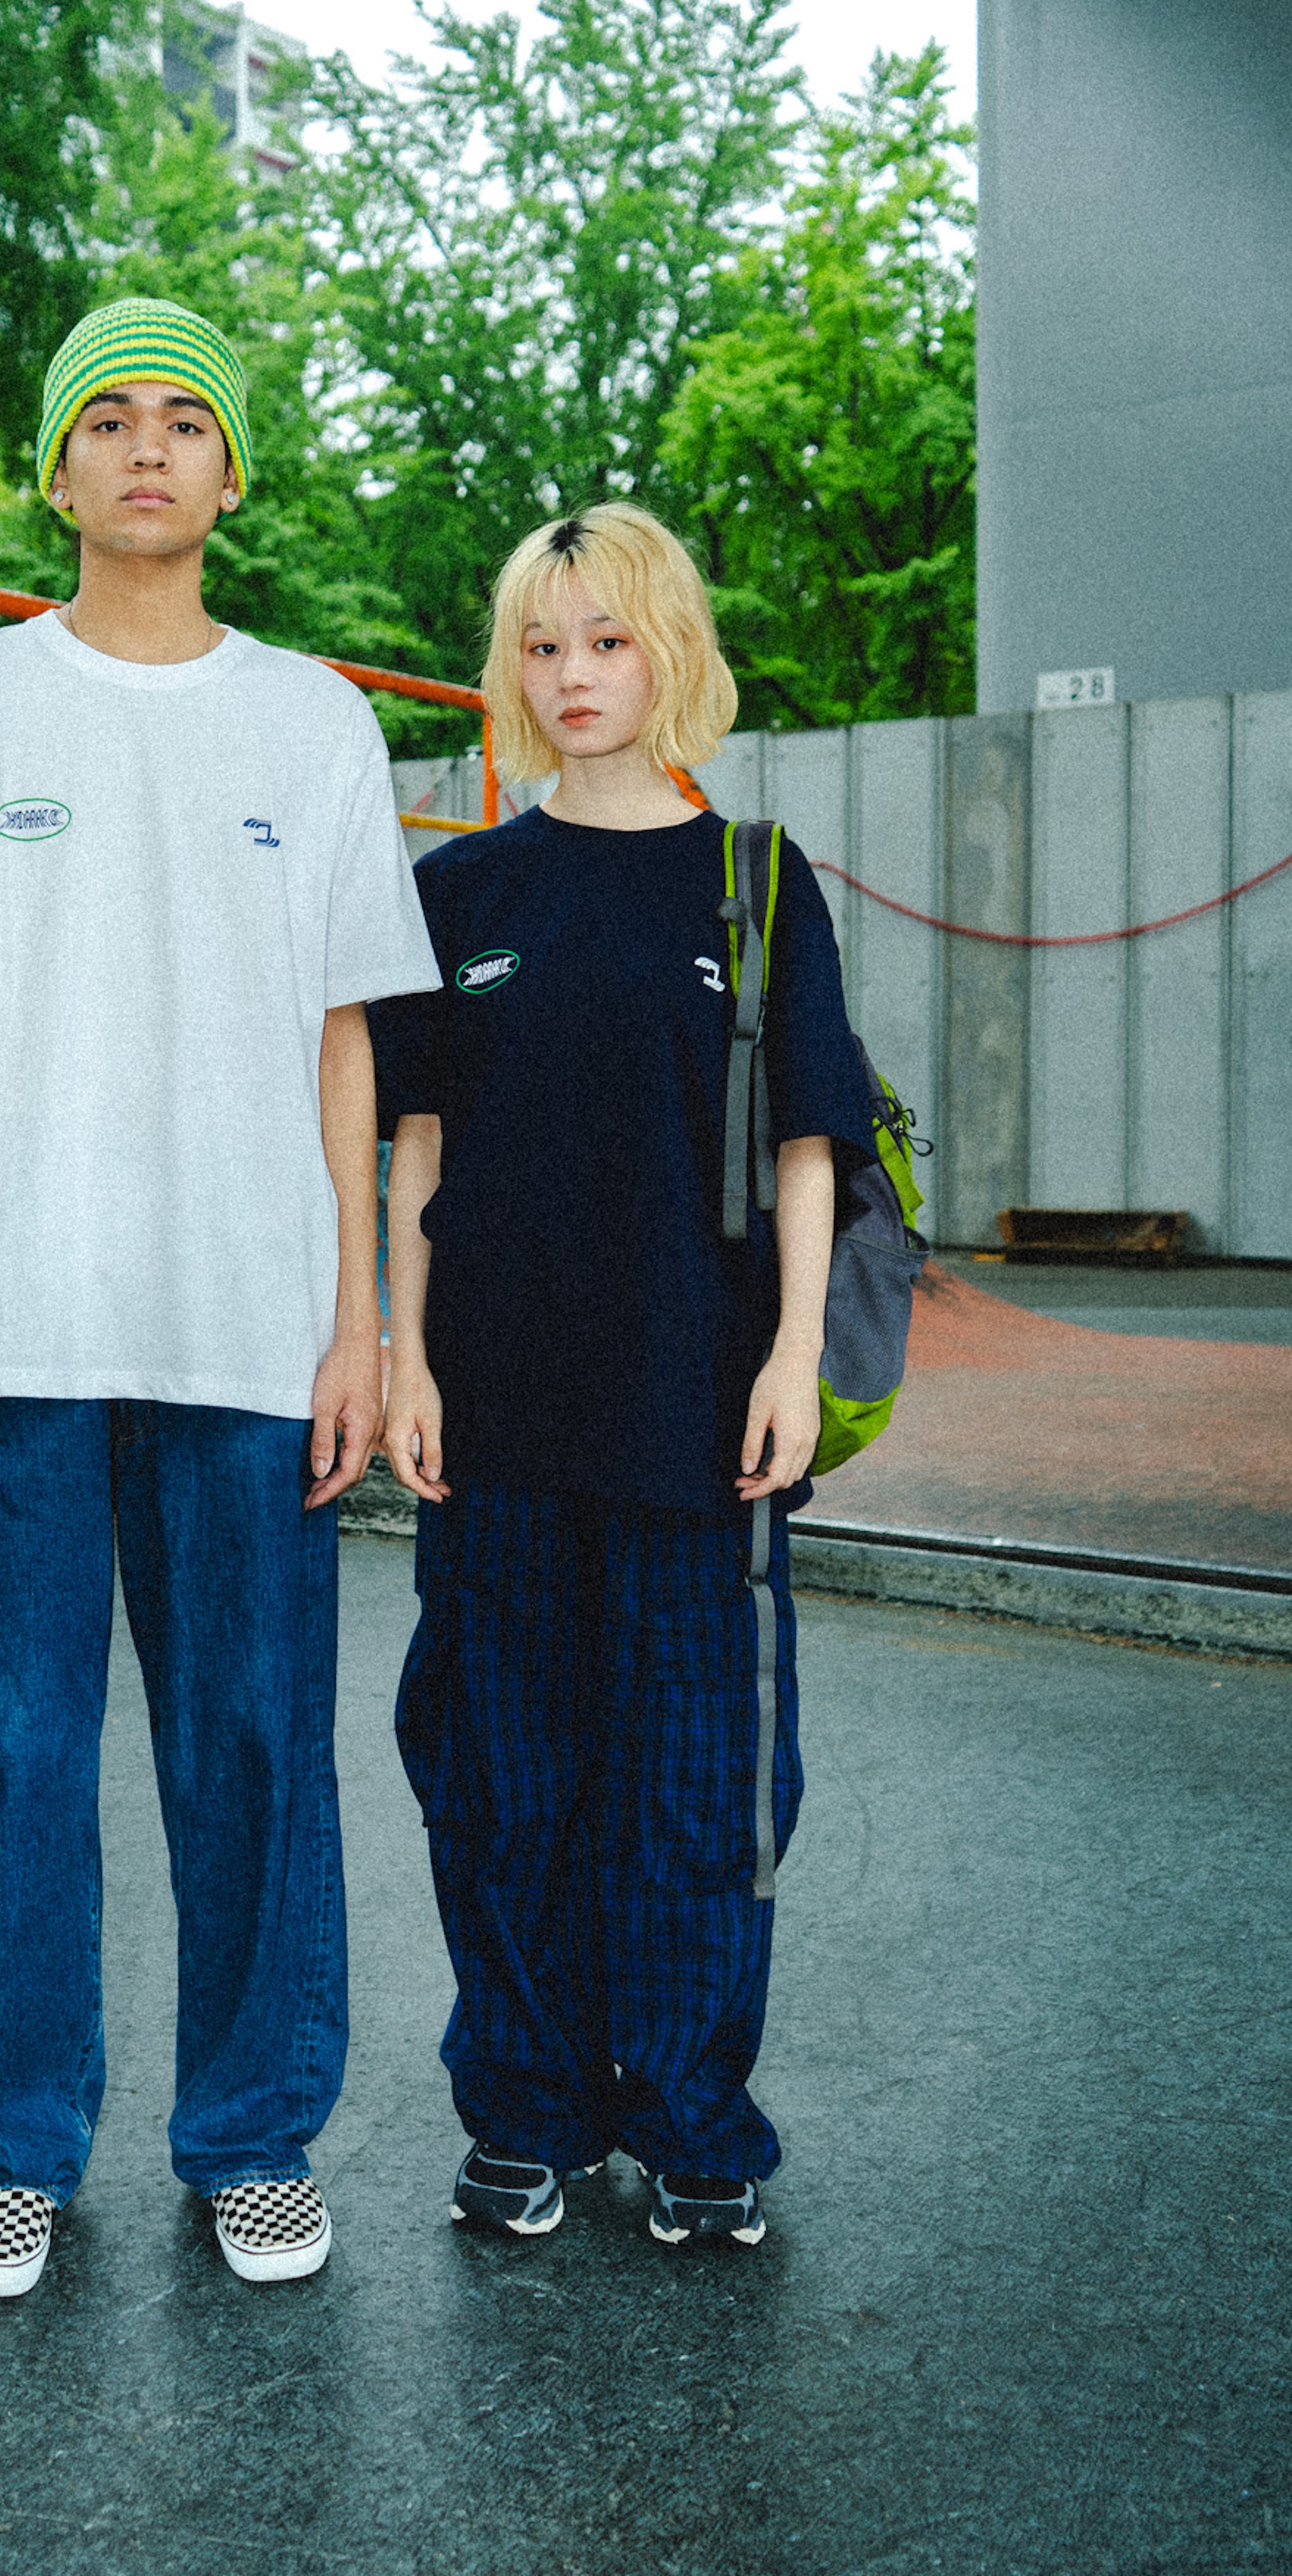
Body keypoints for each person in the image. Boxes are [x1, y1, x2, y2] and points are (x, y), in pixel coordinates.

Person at [0, 298, 439, 2297]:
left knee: (249, 1743)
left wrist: (358, 1321)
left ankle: (252, 2136)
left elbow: (347, 1041)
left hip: (247, 1329)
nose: (147, 449)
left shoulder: (312, 723)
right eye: (109, 420)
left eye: (184, 421)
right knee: (13, 1744)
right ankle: (14, 2147)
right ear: (58, 471)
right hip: (8, 1323)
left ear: (230, 476)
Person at [370, 504, 871, 2251]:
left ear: (670, 654)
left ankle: (691, 2120)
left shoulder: (755, 882)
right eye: (541, 644)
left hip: (694, 1413)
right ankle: (525, 2113)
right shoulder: (462, 893)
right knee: (500, 1780)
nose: (572, 674)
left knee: (693, 1788)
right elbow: (418, 1150)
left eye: (605, 639)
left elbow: (807, 1145)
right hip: (495, 1415)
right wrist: (403, 1353)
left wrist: (792, 1355)